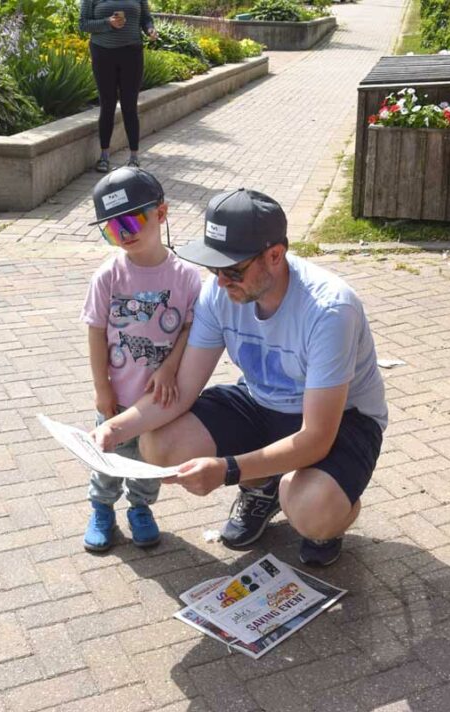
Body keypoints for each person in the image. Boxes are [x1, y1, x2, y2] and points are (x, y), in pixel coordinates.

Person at [93, 188, 387, 566]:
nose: (220, 282)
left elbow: (316, 437)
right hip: (261, 401)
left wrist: (228, 470)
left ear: (275, 256)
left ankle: (333, 508)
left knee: (311, 510)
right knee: (158, 444)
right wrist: (116, 429)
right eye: (214, 269)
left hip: (343, 418)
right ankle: (263, 490)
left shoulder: (330, 310)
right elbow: (181, 390)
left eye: (232, 271)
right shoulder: (219, 295)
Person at [80, 167, 201, 552]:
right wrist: (102, 389)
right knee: (107, 460)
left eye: (132, 220)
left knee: (148, 463)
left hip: (157, 401)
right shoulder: (108, 276)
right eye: (112, 228)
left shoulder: (185, 277)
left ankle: (141, 509)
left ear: (161, 214)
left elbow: (189, 329)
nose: (124, 233)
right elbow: (96, 331)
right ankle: (101, 509)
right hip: (116, 395)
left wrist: (169, 367)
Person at [79, 0, 159, 172]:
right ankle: (104, 156)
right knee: (107, 104)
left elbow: (145, 18)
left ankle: (134, 157)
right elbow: (83, 24)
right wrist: (108, 23)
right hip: (103, 53)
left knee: (129, 105)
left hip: (132, 53)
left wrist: (150, 29)